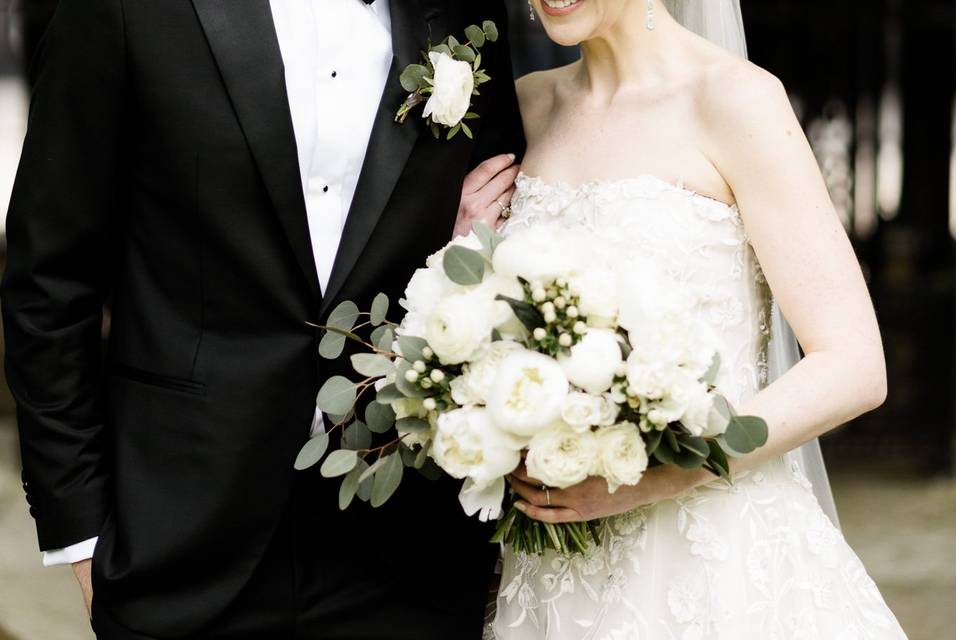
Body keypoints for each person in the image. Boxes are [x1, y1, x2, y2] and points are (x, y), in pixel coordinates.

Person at [1, 0, 523, 637]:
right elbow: (51, 283)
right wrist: (79, 534)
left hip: (406, 544)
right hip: (180, 541)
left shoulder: (464, 13)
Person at [459, 1, 908, 637]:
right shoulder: (528, 108)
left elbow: (855, 367)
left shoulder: (736, 101)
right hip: (550, 582)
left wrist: (652, 478)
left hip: (716, 567)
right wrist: (466, 258)